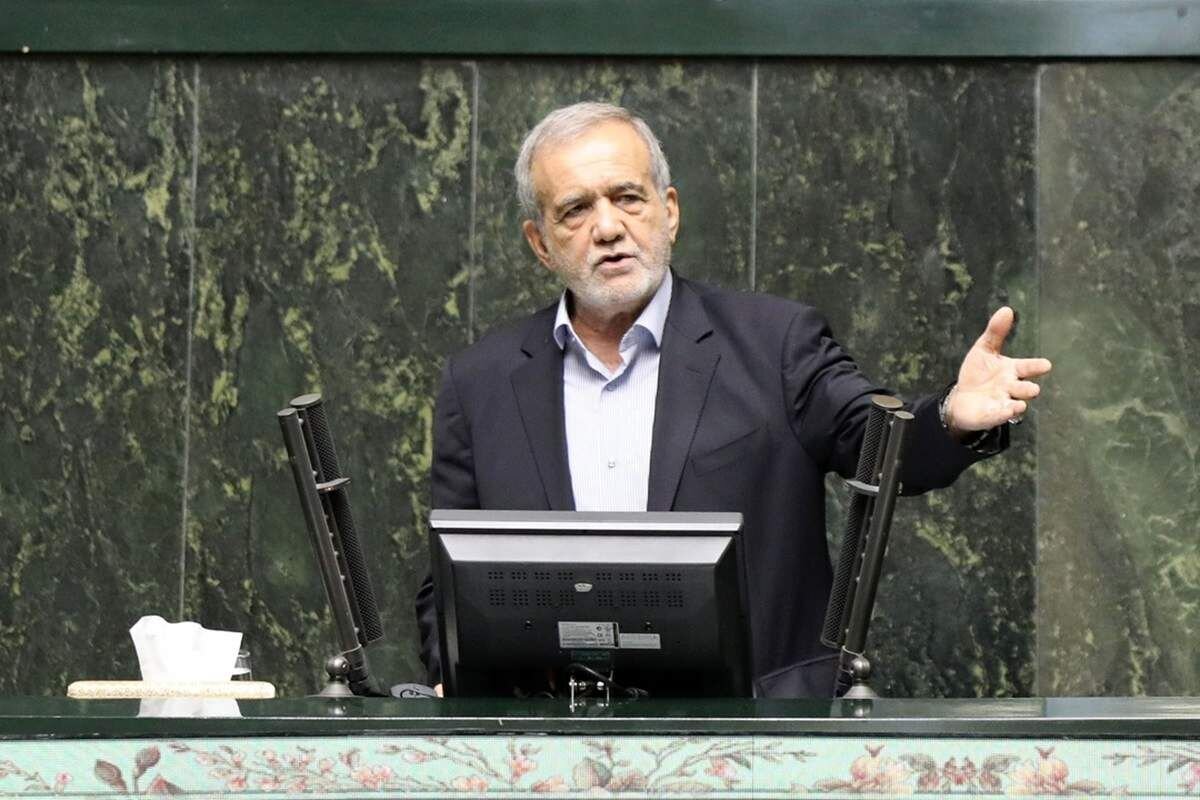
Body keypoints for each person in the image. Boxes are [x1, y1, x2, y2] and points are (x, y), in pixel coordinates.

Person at [414, 102, 1051, 698]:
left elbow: (877, 448)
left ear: (669, 211)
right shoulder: (480, 383)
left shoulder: (775, 343)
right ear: (539, 242)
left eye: (628, 198)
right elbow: (446, 582)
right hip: (555, 743)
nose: (607, 228)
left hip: (755, 735)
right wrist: (461, 680)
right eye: (576, 210)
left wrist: (951, 416)